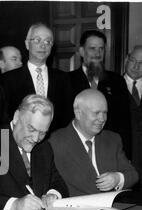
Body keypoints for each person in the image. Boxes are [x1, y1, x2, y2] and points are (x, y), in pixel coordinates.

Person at [0, 94, 68, 210]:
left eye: (42, 133)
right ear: (16, 117)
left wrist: (53, 194)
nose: (36, 138)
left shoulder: (44, 148)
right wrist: (15, 204)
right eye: (31, 129)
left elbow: (58, 182)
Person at [49, 89, 138, 196]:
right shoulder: (56, 141)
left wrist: (117, 178)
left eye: (105, 113)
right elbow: (49, 182)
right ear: (78, 113)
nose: (102, 119)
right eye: (96, 113)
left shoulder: (112, 139)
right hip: (76, 209)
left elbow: (133, 175)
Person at [69, 30, 131, 158]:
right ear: (81, 51)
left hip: (109, 151)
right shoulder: (67, 80)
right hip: (76, 151)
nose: (97, 53)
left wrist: (126, 155)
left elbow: (124, 123)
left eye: (101, 49)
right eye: (92, 48)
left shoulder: (117, 81)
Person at [1, 22, 72, 131]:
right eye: (37, 40)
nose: (43, 45)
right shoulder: (8, 79)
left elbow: (67, 117)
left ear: (52, 46)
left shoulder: (64, 79)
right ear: (27, 44)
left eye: (47, 41)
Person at [124, 45, 142, 189]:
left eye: (141, 63)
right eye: (133, 60)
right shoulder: (111, 84)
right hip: (123, 159)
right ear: (126, 60)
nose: (136, 66)